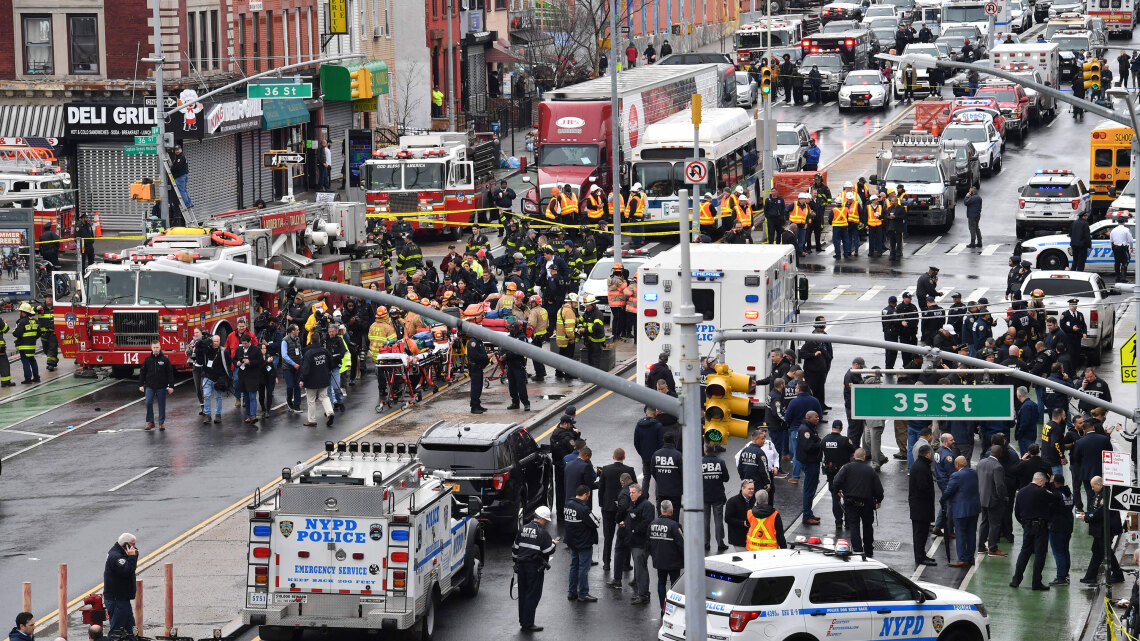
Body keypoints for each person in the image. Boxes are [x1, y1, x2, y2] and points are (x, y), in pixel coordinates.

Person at [1010, 472, 1059, 591]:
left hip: (1027, 526)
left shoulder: (1021, 492)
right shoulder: (1042, 492)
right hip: (1040, 527)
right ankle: (1036, 582)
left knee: (1024, 552)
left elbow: (1016, 512)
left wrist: (1024, 524)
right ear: (1041, 481)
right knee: (1039, 554)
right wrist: (1052, 485)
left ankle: (1016, 580)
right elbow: (1056, 498)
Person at [512, 506, 557, 631]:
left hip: (521, 566)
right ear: (542, 518)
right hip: (534, 568)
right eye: (546, 520)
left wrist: (516, 563)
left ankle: (523, 621)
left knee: (523, 594)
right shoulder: (542, 533)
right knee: (533, 595)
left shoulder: (523, 529)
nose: (546, 523)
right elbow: (549, 550)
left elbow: (515, 548)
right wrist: (553, 543)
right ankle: (528, 624)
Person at [832, 448, 884, 555]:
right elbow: (878, 489)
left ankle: (857, 550)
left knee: (854, 526)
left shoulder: (846, 468)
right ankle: (868, 549)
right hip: (867, 504)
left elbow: (836, 481)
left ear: (854, 456)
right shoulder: (870, 470)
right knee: (868, 526)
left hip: (851, 503)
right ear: (864, 457)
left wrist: (837, 491)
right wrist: (879, 500)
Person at [1079, 476, 1125, 585]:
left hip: (1105, 529)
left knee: (1104, 551)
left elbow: (1100, 512)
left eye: (1093, 487)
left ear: (1099, 484)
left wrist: (1087, 517)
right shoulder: (1101, 494)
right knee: (1098, 550)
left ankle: (1117, 574)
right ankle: (1090, 576)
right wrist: (1086, 514)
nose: (1092, 489)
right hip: (1100, 529)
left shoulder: (1106, 494)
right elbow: (1094, 509)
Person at [599, 450, 636, 572]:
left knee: (608, 537)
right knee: (625, 535)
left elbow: (601, 489)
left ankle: (606, 563)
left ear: (613, 456)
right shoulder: (630, 470)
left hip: (608, 507)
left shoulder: (606, 469)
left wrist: (601, 504)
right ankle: (626, 563)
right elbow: (634, 489)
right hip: (624, 508)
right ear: (624, 457)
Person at [564, 485, 600, 602]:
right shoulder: (583, 508)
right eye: (588, 496)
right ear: (585, 494)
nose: (588, 498)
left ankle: (571, 592)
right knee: (584, 568)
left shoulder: (568, 504)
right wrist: (597, 520)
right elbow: (595, 523)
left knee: (574, 566)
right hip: (584, 542)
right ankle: (583, 593)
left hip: (572, 541)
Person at [944, 456, 981, 567]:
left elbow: (949, 491)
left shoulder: (956, 475)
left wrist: (943, 499)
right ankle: (971, 557)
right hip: (974, 509)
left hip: (961, 510)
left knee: (960, 534)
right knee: (971, 533)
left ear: (957, 464)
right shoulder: (974, 473)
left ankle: (962, 559)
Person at [648, 500, 684, 612]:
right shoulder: (674, 525)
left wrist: (654, 555)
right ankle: (673, 609)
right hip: (674, 561)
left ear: (661, 510)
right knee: (675, 586)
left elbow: (648, 543)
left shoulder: (652, 524)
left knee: (661, 583)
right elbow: (681, 544)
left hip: (659, 560)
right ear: (671, 511)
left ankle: (662, 607)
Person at [624, 483, 655, 605]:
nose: (631, 494)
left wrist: (633, 530)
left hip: (641, 543)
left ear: (640, 493)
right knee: (638, 568)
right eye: (630, 492)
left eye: (633, 492)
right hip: (634, 542)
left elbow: (647, 523)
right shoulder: (635, 503)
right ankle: (641, 593)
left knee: (641, 569)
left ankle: (643, 595)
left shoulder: (646, 505)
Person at [977, 444, 1009, 557]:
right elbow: (999, 485)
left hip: (982, 498)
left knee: (984, 523)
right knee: (994, 525)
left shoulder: (981, 462)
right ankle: (992, 548)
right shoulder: (998, 467)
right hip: (994, 501)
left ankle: (981, 546)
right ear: (1000, 454)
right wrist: (1003, 498)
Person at [103, 533, 139, 635]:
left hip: (123, 599)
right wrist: (132, 556)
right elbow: (127, 570)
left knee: (131, 630)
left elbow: (132, 566)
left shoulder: (122, 553)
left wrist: (133, 555)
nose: (134, 547)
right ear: (125, 545)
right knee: (117, 632)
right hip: (117, 600)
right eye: (132, 545)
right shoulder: (116, 557)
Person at [910, 445, 938, 566]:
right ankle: (920, 557)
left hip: (920, 506)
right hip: (921, 507)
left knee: (921, 533)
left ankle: (921, 555)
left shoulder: (919, 465)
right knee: (920, 533)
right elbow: (922, 487)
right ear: (927, 454)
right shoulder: (921, 467)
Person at [796, 410, 824, 526]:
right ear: (808, 417)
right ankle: (806, 516)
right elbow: (808, 447)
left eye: (818, 417)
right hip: (810, 463)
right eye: (815, 417)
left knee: (811, 489)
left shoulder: (810, 428)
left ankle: (809, 512)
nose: (818, 418)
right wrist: (820, 444)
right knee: (809, 490)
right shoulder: (805, 430)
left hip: (812, 462)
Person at [137, 340, 173, 430]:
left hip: (161, 386)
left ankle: (161, 423)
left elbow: (170, 373)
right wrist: (141, 384)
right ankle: (151, 422)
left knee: (161, 405)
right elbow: (142, 372)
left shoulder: (165, 359)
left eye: (157, 347)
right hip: (150, 386)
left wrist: (171, 386)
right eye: (154, 347)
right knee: (148, 402)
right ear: (151, 348)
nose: (156, 349)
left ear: (160, 347)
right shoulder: (147, 360)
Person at [299, 338, 335, 427]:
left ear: (311, 342)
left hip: (312, 381)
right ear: (319, 341)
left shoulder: (308, 353)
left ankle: (312, 420)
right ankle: (330, 412)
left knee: (311, 400)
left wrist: (302, 379)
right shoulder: (325, 351)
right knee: (324, 397)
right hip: (324, 378)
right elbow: (331, 363)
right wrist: (328, 371)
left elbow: (306, 368)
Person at [701, 442, 730, 553]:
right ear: (714, 450)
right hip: (718, 495)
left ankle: (706, 543)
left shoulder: (700, 462)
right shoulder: (720, 462)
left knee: (705, 520)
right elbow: (726, 478)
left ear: (705, 451)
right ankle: (720, 543)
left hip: (704, 496)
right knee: (718, 520)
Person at [1049, 474, 1075, 585]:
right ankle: (1065, 574)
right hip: (1068, 525)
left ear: (1055, 483)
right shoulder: (1069, 494)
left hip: (1057, 526)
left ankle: (1061, 577)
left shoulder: (1056, 495)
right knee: (1065, 551)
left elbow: (1051, 506)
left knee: (1058, 552)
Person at [651, 433, 683, 520]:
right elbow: (682, 472)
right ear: (673, 441)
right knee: (675, 513)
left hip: (661, 489)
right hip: (675, 490)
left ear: (663, 441)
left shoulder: (656, 454)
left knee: (661, 512)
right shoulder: (678, 455)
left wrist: (660, 479)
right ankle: (673, 530)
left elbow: (653, 471)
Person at [234, 333, 263, 425]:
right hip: (242, 376)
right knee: (246, 397)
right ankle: (249, 416)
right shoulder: (239, 349)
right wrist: (237, 363)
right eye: (243, 343)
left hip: (252, 376)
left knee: (252, 396)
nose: (244, 345)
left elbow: (260, 361)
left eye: (246, 343)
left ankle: (253, 416)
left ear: (249, 342)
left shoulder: (256, 350)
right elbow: (234, 359)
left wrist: (250, 362)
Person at [199, 334, 228, 424]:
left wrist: (226, 378)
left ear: (220, 342)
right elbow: (199, 346)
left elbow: (227, 364)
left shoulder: (223, 351)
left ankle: (218, 415)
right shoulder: (206, 349)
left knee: (218, 397)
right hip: (207, 377)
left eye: (217, 341)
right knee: (206, 396)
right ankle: (208, 415)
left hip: (218, 378)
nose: (215, 343)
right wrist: (207, 340)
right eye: (214, 341)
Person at [725, 480, 757, 551]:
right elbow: (728, 518)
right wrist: (743, 523)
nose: (752, 491)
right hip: (739, 539)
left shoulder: (755, 501)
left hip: (753, 539)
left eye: (753, 489)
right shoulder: (732, 501)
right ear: (742, 488)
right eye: (749, 489)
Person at [14, 303, 38, 384]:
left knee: (26, 362)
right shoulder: (35, 321)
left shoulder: (22, 322)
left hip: (23, 346)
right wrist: (32, 338)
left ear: (23, 312)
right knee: (32, 361)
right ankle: (36, 377)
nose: (19, 313)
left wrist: (14, 330)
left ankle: (28, 379)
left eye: (20, 311)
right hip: (32, 345)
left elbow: (17, 334)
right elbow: (39, 333)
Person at [169, 144, 193, 209]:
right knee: (184, 190)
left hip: (180, 176)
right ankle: (190, 203)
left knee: (182, 191)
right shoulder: (180, 156)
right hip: (184, 175)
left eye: (178, 150)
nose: (177, 151)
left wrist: (171, 169)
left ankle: (187, 204)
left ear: (181, 149)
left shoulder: (180, 157)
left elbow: (178, 167)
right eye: (176, 150)